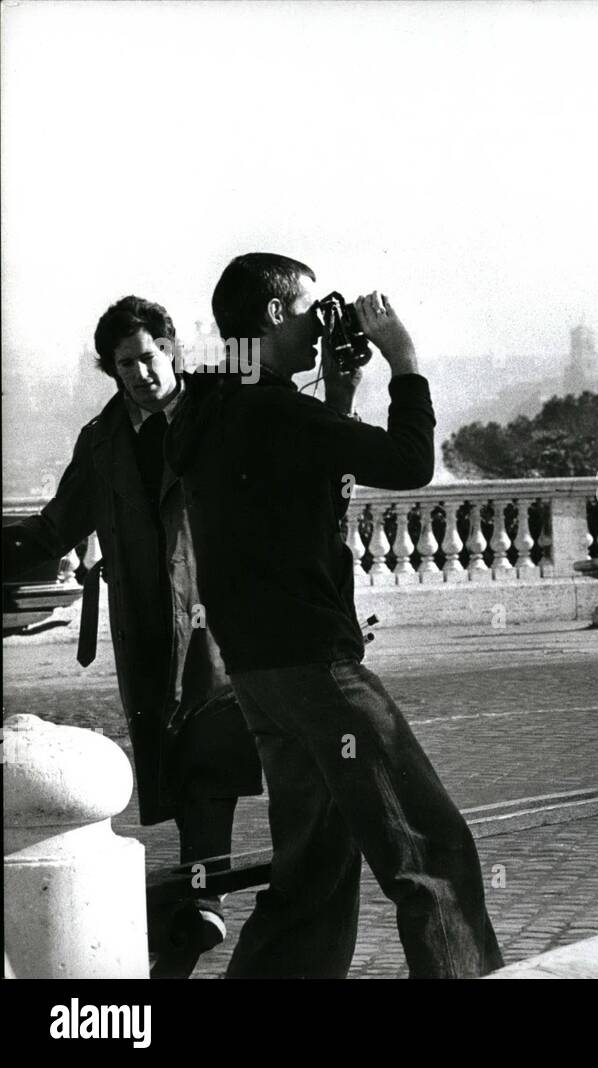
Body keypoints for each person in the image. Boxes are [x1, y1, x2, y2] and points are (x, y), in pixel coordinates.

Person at [166, 253, 502, 977]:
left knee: (313, 869)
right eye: (311, 312)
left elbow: (295, 496)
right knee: (429, 853)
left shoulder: (212, 407)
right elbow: (410, 463)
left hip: (257, 670)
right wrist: (404, 359)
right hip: (316, 666)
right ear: (275, 314)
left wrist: (340, 397)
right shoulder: (274, 408)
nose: (323, 328)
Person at [2, 296, 264, 975]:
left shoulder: (222, 412)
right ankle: (196, 904)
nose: (142, 374)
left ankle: (205, 899)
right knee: (174, 754)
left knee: (214, 741)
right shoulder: (105, 440)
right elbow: (58, 526)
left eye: (149, 356)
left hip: (219, 617)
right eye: (126, 365)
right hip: (145, 628)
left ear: (171, 348)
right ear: (110, 371)